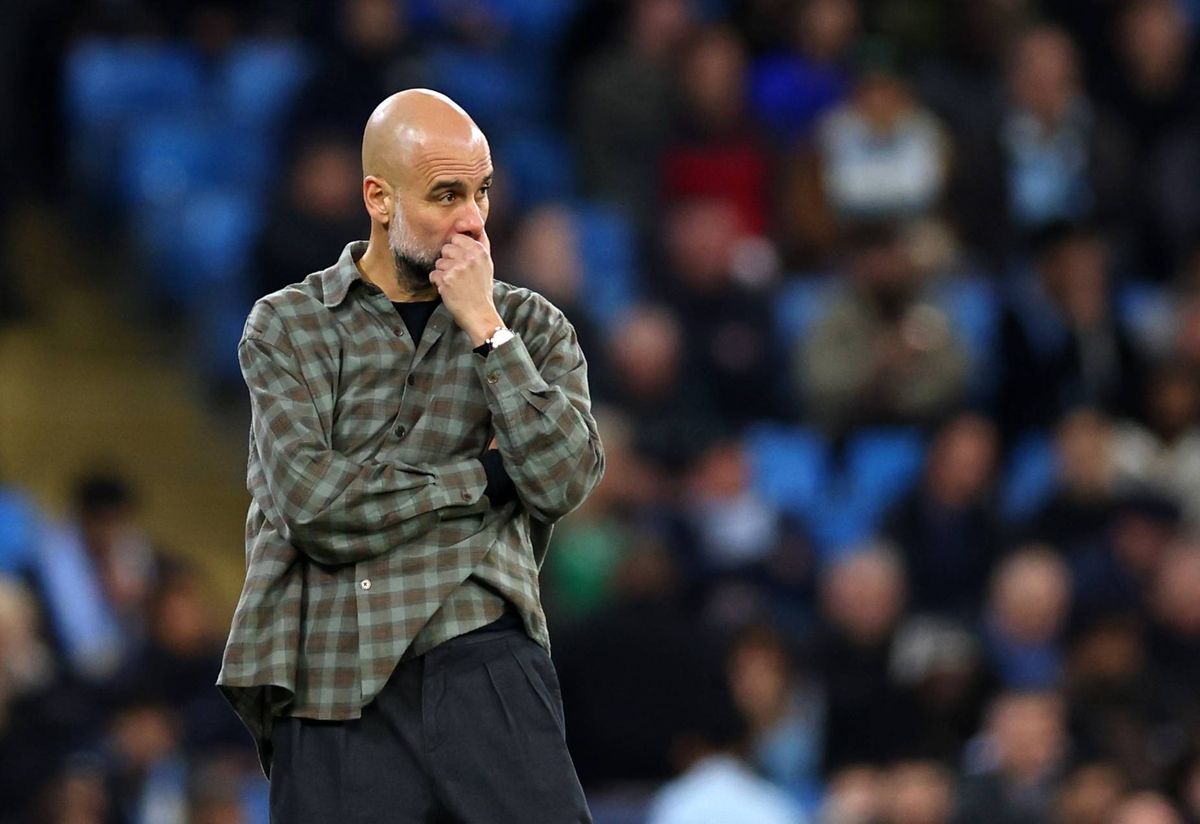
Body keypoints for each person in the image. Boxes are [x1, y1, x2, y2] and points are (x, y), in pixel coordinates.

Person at [217, 89, 604, 823]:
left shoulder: (530, 325)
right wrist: (486, 478)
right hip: (331, 673)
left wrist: (486, 330)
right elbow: (315, 505)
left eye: (482, 192)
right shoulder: (288, 325)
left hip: (485, 658)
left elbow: (562, 478)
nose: (473, 220)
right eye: (446, 195)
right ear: (379, 198)